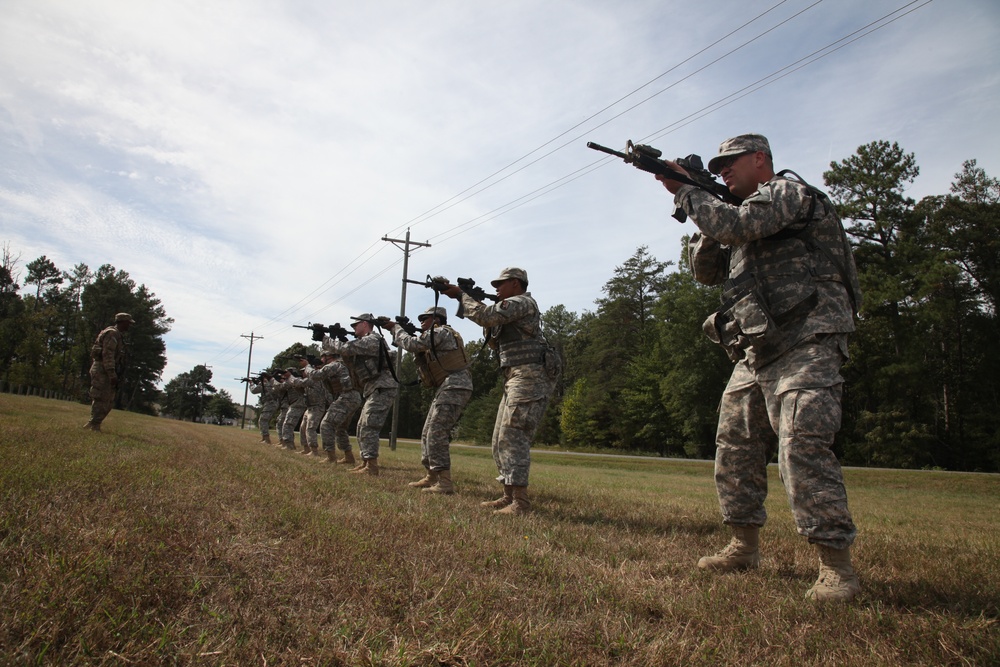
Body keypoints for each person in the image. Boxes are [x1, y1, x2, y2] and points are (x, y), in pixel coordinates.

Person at [656, 133, 863, 602]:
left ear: (760, 160)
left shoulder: (787, 194)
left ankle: (837, 568)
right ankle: (743, 546)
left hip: (809, 334)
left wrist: (688, 191)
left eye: (731, 163)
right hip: (759, 348)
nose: (724, 170)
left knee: (802, 444)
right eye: (718, 167)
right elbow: (704, 271)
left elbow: (735, 227)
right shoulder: (735, 215)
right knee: (735, 443)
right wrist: (706, 201)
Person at [440, 268, 559, 514]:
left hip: (529, 377)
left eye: (501, 284)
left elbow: (485, 316)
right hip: (515, 376)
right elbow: (493, 334)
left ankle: (521, 502)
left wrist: (462, 296)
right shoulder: (510, 308)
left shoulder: (522, 303)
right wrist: (467, 298)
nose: (496, 288)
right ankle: (508, 495)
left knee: (513, 436)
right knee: (498, 438)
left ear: (516, 284)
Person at [385, 306, 473, 494]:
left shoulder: (441, 332)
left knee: (436, 431)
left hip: (455, 385)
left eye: (425, 319)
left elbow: (411, 344)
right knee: (427, 432)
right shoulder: (436, 336)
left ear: (436, 320)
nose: (422, 323)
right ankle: (431, 475)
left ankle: (445, 482)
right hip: (447, 386)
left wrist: (395, 329)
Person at [321, 314, 399, 476]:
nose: (353, 328)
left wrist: (325, 339)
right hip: (373, 387)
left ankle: (371, 466)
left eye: (356, 325)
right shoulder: (365, 342)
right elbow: (349, 355)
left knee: (369, 425)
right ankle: (366, 462)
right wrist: (340, 338)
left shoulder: (373, 339)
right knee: (361, 425)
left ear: (365, 324)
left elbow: (347, 349)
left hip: (382, 386)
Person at [309, 350, 363, 464]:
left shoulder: (334, 364)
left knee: (326, 424)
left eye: (322, 357)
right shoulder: (343, 364)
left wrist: (307, 367)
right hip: (354, 397)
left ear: (329, 357)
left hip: (347, 397)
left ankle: (331, 457)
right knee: (340, 428)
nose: (321, 360)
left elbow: (315, 376)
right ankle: (349, 457)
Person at [83, 312, 134, 431]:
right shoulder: (112, 334)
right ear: (122, 322)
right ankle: (94, 424)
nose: (129, 326)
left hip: (106, 369)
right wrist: (111, 373)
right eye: (128, 323)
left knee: (108, 399)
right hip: (103, 370)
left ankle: (95, 423)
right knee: (101, 397)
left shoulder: (117, 335)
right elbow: (108, 354)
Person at [250, 370, 277, 444]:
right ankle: (264, 438)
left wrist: (251, 383)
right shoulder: (268, 383)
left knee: (263, 420)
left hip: (270, 403)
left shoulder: (265, 384)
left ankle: (267, 439)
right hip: (269, 403)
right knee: (262, 420)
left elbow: (254, 390)